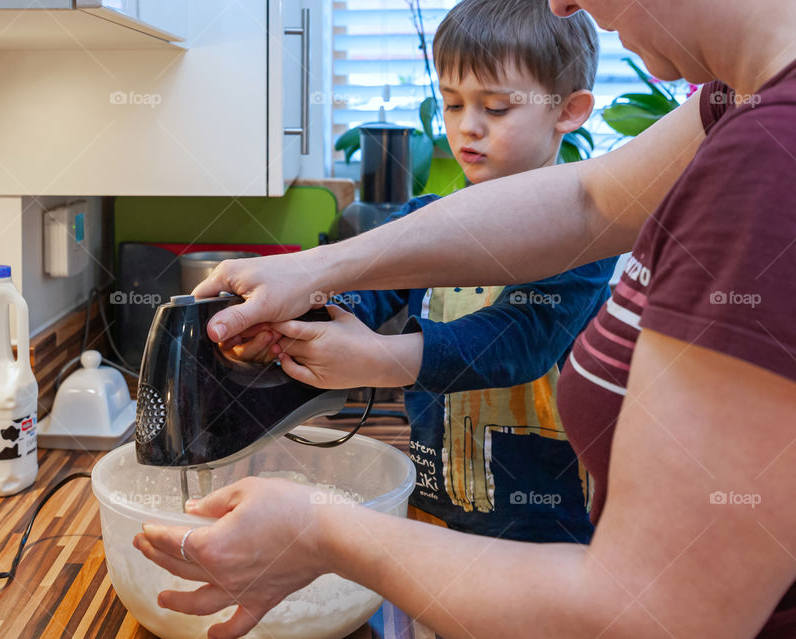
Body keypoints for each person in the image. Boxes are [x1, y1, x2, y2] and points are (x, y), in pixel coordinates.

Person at [134, 0, 796, 637]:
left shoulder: (769, 158)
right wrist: (317, 276)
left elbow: (647, 611)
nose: (563, 3)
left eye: (496, 106)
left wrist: (321, 528)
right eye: (452, 104)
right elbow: (587, 204)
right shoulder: (740, 105)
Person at [248, 0, 614, 542]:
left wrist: (377, 359)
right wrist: (299, 320)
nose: (467, 128)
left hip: (547, 525)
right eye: (452, 104)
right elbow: (361, 295)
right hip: (434, 504)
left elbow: (518, 343)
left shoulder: (591, 232)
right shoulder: (423, 222)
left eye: (496, 108)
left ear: (568, 110)